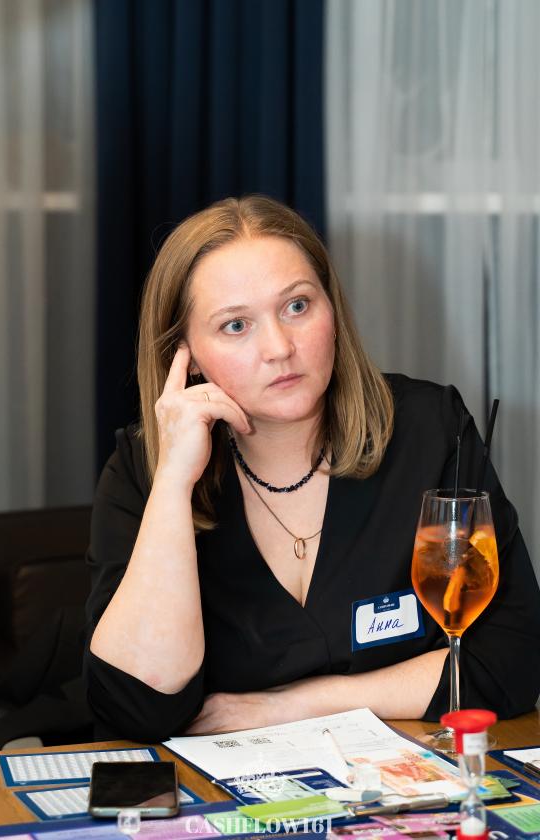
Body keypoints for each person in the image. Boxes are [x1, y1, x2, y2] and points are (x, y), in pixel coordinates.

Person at [85, 195, 540, 742]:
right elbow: (137, 708)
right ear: (187, 354)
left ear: (332, 309)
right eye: (235, 325)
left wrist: (295, 705)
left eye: (297, 306)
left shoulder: (430, 428)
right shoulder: (144, 470)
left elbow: (513, 657)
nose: (279, 347)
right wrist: (175, 483)